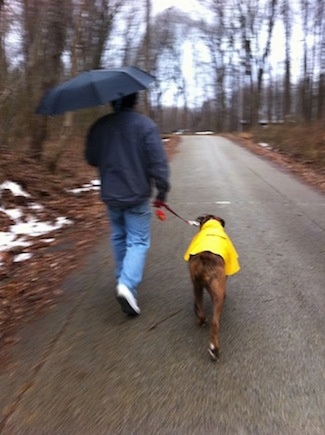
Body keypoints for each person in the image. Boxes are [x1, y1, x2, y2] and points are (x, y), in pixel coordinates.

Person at [85, 92, 170, 316]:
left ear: (112, 101)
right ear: (135, 100)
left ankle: (122, 279)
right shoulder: (145, 126)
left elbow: (91, 158)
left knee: (119, 236)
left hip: (111, 194)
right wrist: (162, 192)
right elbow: (158, 163)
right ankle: (126, 285)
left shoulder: (100, 126)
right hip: (136, 194)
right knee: (138, 241)